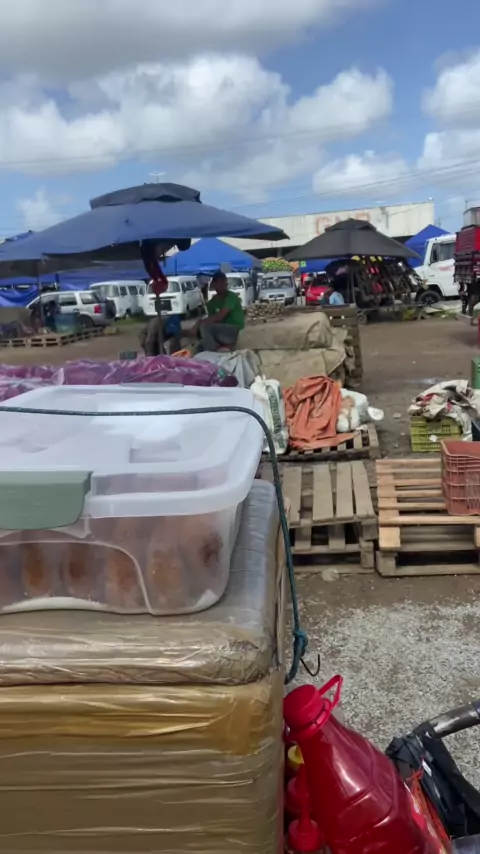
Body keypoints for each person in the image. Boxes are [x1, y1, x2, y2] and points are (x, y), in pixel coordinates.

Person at [191, 272, 245, 352]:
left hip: (233, 330)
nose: (222, 286)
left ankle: (211, 352)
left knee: (205, 326)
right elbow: (211, 320)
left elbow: (220, 316)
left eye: (223, 283)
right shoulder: (212, 303)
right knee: (199, 346)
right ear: (214, 285)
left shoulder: (231, 297)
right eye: (219, 284)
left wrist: (200, 322)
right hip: (220, 332)